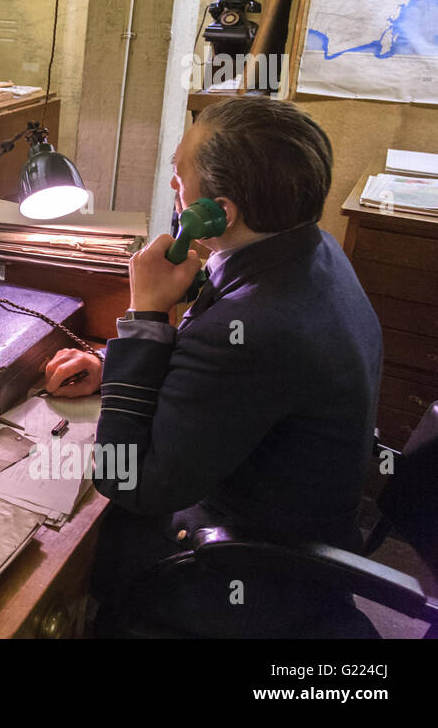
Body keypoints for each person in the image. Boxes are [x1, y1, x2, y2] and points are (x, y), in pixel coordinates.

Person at [40, 96, 382, 637]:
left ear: (218, 213)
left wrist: (146, 315)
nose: (174, 191)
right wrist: (115, 362)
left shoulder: (256, 328)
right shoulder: (312, 251)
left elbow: (129, 480)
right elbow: (219, 365)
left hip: (243, 574)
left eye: (179, 179)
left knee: (52, 553)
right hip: (304, 526)